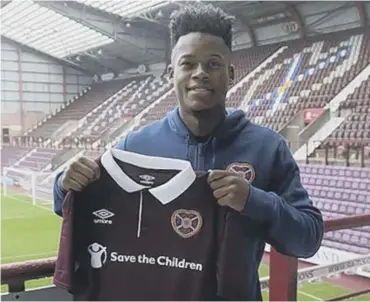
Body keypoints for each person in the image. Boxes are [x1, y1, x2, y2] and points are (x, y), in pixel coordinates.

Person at [53, 3, 324, 300]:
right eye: (188, 64)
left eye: (213, 64)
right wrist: (63, 184)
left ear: (231, 73)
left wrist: (253, 200)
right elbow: (75, 204)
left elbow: (308, 239)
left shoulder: (268, 147)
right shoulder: (136, 144)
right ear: (172, 73)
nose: (200, 74)